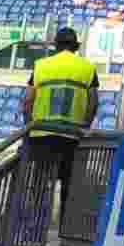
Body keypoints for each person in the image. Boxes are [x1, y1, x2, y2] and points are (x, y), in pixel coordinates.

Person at [22, 28, 99, 225]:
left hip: (42, 134)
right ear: (75, 46)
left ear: (56, 45)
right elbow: (93, 102)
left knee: (39, 183)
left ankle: (36, 226)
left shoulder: (42, 65)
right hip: (72, 136)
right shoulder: (87, 68)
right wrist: (85, 127)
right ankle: (65, 229)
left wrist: (29, 126)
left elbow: (28, 100)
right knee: (69, 185)